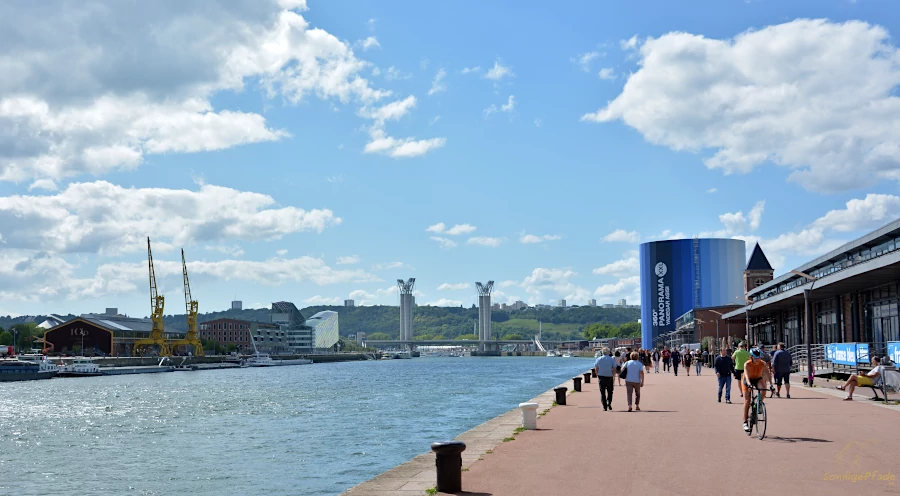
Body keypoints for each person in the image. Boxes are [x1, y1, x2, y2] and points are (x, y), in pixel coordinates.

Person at [742, 348, 771, 432]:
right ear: (751, 357)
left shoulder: (763, 364)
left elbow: (768, 374)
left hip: (758, 378)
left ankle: (758, 404)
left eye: (759, 358)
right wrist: (749, 385)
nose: (758, 360)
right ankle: (745, 422)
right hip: (748, 380)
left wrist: (772, 385)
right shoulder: (747, 364)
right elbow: (747, 376)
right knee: (747, 400)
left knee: (763, 389)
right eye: (755, 358)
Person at [593, 347, 616, 411]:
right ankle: (609, 402)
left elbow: (596, 368)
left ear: (602, 352)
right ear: (608, 352)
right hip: (609, 376)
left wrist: (597, 375)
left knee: (602, 392)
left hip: (601, 376)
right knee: (610, 391)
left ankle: (604, 406)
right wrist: (613, 375)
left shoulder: (598, 359)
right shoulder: (611, 359)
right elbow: (614, 368)